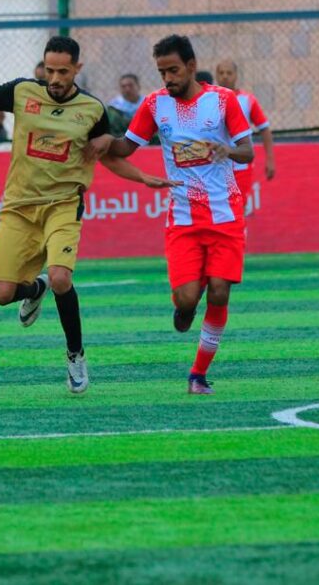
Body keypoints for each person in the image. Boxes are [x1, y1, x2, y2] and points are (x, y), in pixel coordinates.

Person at [0, 36, 174, 394]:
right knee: (2, 293)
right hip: (19, 207)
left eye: (63, 72)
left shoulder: (92, 109)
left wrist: (142, 177)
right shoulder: (22, 92)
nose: (55, 78)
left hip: (63, 204)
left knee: (61, 278)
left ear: (77, 69)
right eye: (50, 70)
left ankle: (75, 355)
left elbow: (106, 155)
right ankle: (35, 287)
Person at [105, 35, 254, 395]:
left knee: (219, 291)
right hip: (183, 218)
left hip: (225, 213)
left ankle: (198, 375)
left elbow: (248, 151)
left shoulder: (223, 100)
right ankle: (185, 305)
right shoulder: (154, 105)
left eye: (173, 70)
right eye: (161, 72)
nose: (167, 78)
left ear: (191, 66)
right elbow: (125, 148)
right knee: (187, 302)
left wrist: (227, 149)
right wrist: (98, 137)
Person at [215, 59, 275, 206]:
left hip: (241, 166)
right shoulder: (208, 100)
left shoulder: (248, 100)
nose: (225, 76)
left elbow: (264, 128)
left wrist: (270, 159)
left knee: (238, 208)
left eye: (229, 73)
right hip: (216, 166)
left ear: (236, 75)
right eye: (221, 73)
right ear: (216, 75)